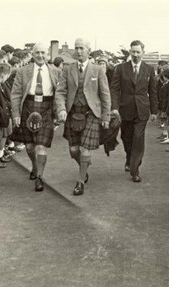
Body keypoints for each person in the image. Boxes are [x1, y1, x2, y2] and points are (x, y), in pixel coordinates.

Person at [55, 38, 111, 195]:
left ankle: (80, 182)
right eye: (76, 48)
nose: (78, 51)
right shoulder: (68, 69)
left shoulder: (98, 69)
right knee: (74, 150)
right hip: (73, 113)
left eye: (82, 48)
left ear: (88, 50)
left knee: (85, 149)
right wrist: (61, 109)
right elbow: (60, 91)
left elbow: (105, 95)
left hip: (91, 113)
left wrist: (105, 117)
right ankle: (84, 166)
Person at [11, 42, 61, 192]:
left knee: (41, 146)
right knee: (30, 146)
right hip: (28, 107)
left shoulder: (56, 71)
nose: (40, 55)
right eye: (37, 52)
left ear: (48, 55)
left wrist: (59, 111)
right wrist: (16, 114)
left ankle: (39, 177)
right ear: (32, 54)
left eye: (43, 53)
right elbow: (16, 94)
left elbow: (60, 94)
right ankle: (34, 165)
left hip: (46, 109)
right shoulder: (22, 71)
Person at [110, 40, 157, 182]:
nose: (135, 55)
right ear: (130, 52)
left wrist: (154, 111)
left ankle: (135, 169)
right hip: (125, 109)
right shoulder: (120, 68)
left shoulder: (149, 69)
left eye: (138, 52)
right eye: (133, 52)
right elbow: (114, 89)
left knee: (138, 137)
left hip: (142, 110)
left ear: (143, 53)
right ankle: (129, 157)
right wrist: (114, 107)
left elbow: (153, 91)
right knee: (127, 137)